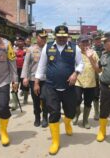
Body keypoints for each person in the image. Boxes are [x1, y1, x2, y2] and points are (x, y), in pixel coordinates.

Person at [34, 25, 83, 155]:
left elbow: (80, 63)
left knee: (70, 112)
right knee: (54, 113)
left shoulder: (74, 47)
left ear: (67, 36)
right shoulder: (48, 47)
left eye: (64, 36)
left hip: (69, 87)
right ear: (55, 36)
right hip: (51, 87)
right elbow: (41, 65)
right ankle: (55, 141)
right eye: (59, 36)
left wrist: (75, 73)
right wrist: (37, 82)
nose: (62, 38)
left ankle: (67, 123)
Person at [21, 29, 48, 127]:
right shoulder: (31, 49)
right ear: (36, 37)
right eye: (42, 37)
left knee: (45, 98)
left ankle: (45, 117)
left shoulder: (48, 49)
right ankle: (37, 117)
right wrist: (25, 77)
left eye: (45, 38)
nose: (44, 39)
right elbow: (26, 64)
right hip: (33, 78)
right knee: (36, 100)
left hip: (45, 79)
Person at [72, 35, 99, 129]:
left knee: (88, 102)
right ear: (79, 44)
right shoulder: (75, 53)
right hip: (78, 82)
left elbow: (98, 69)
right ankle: (77, 113)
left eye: (87, 42)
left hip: (91, 82)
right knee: (77, 100)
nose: (85, 44)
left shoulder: (94, 53)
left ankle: (85, 120)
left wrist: (90, 57)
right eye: (83, 42)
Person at [11, 37, 29, 109]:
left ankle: (25, 99)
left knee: (25, 85)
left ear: (24, 42)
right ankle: (15, 103)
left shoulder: (27, 50)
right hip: (15, 70)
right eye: (19, 41)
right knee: (14, 85)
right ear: (17, 42)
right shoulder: (13, 50)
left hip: (24, 70)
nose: (20, 42)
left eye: (21, 41)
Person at [92, 33, 104, 120]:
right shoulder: (91, 49)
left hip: (105, 74)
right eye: (96, 40)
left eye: (99, 40)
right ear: (94, 41)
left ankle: (103, 110)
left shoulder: (106, 48)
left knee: (104, 94)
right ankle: (96, 112)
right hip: (95, 74)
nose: (98, 41)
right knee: (95, 94)